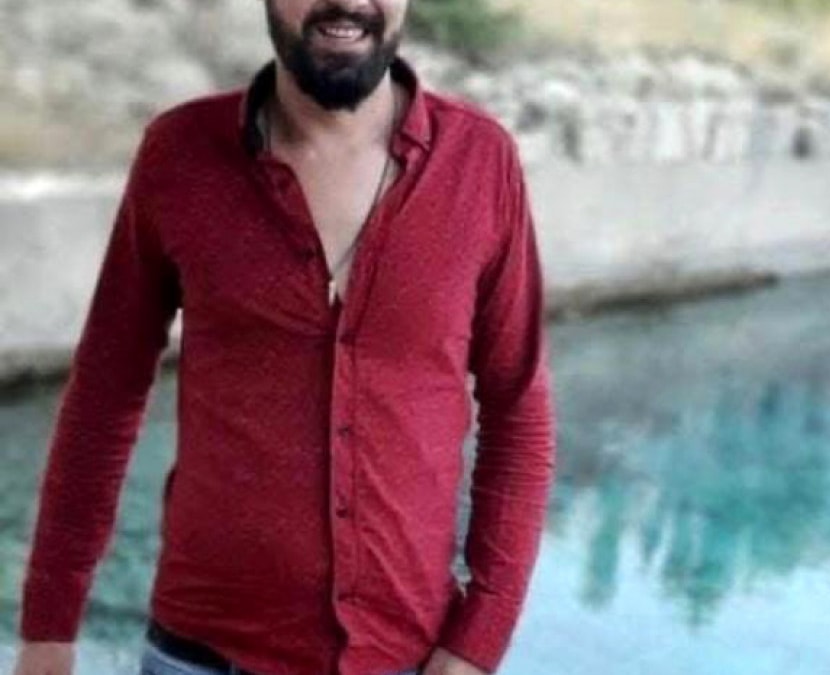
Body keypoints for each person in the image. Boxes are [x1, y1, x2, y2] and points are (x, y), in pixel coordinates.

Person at [11, 1, 557, 674]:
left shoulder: (480, 161)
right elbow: (104, 395)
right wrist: (48, 627)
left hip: (404, 659)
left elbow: (518, 410)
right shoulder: (177, 154)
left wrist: (479, 639)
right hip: (198, 656)